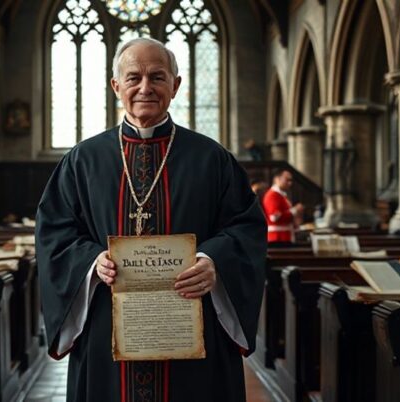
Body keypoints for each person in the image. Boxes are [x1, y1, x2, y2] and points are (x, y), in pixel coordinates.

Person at [36, 38, 266, 402]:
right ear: (116, 87)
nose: (145, 88)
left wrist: (213, 262)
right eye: (134, 78)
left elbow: (246, 227)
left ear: (175, 85)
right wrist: (91, 262)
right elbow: (55, 234)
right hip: (107, 325)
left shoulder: (212, 159)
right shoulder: (82, 161)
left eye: (157, 77)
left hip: (195, 325)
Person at [262, 169, 304, 245]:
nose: (290, 183)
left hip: (283, 236)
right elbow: (274, 218)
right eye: (287, 180)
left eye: (291, 180)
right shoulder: (272, 195)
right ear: (277, 179)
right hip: (277, 237)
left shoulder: (281, 195)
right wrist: (295, 210)